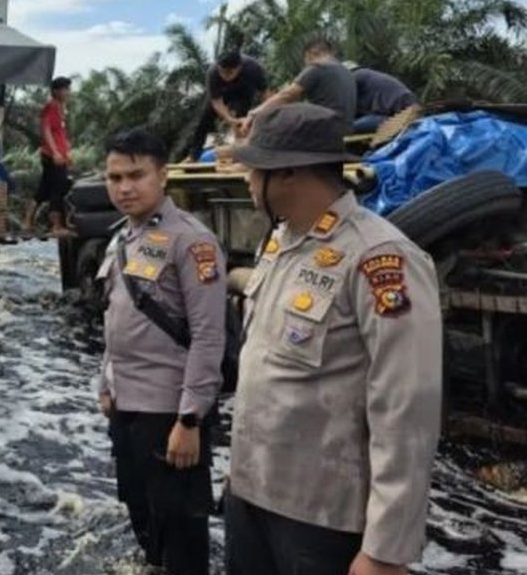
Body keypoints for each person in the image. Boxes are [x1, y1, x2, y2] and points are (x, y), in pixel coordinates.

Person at [225, 103, 442, 575]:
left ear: (289, 173)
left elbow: (408, 408)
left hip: (321, 518)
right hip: (251, 493)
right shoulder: (283, 242)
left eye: (254, 167)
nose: (246, 178)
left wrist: (386, 549)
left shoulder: (380, 258)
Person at [96, 128, 226, 575]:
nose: (124, 187)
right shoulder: (123, 238)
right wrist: (106, 379)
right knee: (140, 509)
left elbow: (210, 336)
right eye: (115, 177)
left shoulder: (191, 240)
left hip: (169, 411)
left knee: (181, 527)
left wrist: (190, 418)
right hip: (126, 405)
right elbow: (115, 314)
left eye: (136, 175)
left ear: (163, 176)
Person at [242, 36, 356, 135]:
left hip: (324, 128)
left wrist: (255, 113)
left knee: (274, 118)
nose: (306, 65)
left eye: (305, 60)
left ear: (312, 54)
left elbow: (287, 95)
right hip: (346, 128)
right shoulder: (346, 71)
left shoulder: (318, 67)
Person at [182, 51, 270, 161]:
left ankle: (240, 154)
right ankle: (194, 155)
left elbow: (265, 94)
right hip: (222, 92)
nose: (225, 76)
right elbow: (216, 102)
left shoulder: (253, 68)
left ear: (239, 67)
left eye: (229, 72)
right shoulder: (213, 72)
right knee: (204, 119)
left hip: (244, 92)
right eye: (222, 72)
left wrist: (265, 113)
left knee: (240, 120)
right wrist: (229, 119)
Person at [27, 76, 73, 238]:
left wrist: (67, 151)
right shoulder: (51, 106)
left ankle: (27, 222)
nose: (68, 92)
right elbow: (46, 130)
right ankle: (56, 225)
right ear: (56, 91)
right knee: (57, 189)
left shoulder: (61, 107)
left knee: (43, 189)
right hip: (52, 156)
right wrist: (56, 153)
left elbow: (60, 133)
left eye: (68, 89)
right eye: (65, 89)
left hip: (58, 154)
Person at [345, 63, 418, 134]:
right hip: (404, 110)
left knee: (346, 128)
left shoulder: (356, 76)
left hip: (400, 114)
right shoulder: (367, 76)